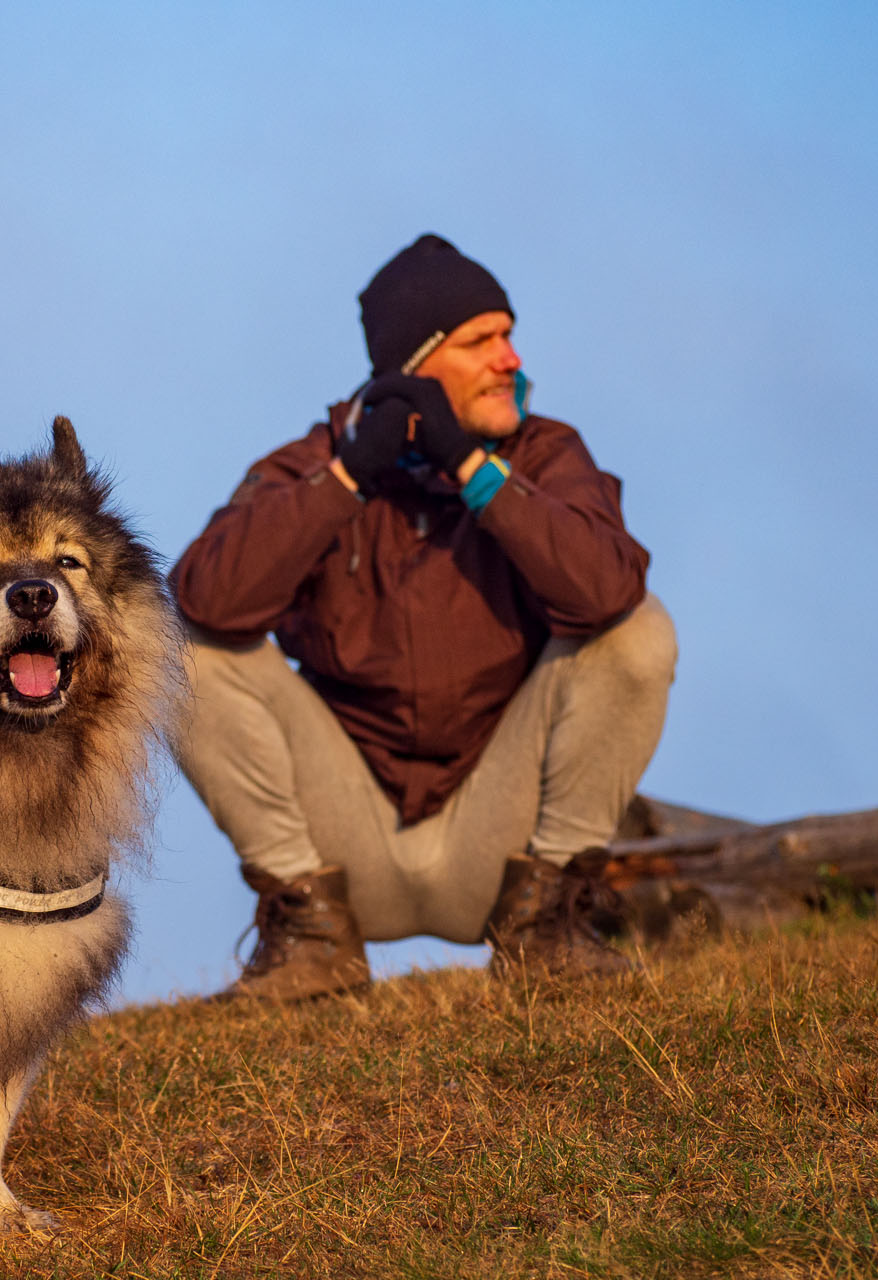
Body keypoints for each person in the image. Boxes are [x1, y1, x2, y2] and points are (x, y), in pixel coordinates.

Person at [171, 234, 677, 998]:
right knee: (174, 650)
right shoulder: (315, 462)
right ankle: (312, 944)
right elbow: (207, 597)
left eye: (509, 335)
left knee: (638, 632)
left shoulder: (545, 452)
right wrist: (350, 476)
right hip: (345, 847)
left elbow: (607, 590)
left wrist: (473, 470)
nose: (511, 358)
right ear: (416, 370)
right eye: (483, 341)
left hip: (502, 851)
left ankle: (546, 935)